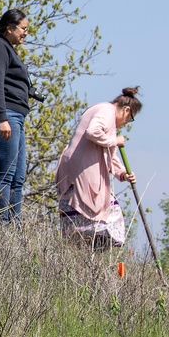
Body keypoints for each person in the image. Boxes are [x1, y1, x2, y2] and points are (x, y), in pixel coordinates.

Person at [55, 87, 141, 248]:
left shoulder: (99, 109)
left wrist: (122, 173)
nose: (126, 123)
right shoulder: (107, 111)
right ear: (126, 110)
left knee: (83, 217)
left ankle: (86, 250)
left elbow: (107, 153)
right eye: (130, 119)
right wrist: (115, 140)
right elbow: (93, 132)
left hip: (73, 169)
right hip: (83, 170)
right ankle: (94, 245)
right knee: (109, 215)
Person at [0, 8, 33, 224]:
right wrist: (2, 118)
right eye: (23, 29)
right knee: (6, 175)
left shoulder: (8, 49)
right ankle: (3, 227)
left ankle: (15, 228)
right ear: (9, 28)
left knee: (17, 178)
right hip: (5, 115)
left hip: (15, 116)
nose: (25, 33)